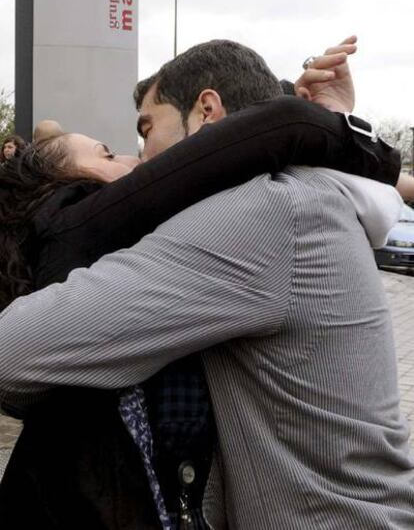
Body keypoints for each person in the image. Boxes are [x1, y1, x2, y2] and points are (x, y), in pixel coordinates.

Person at [0, 38, 411, 528]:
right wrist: (335, 123)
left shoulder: (261, 213)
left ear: (207, 110)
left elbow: (13, 352)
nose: (143, 160)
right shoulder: (309, 192)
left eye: (147, 130)